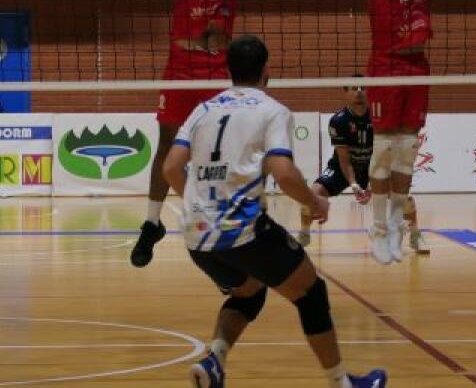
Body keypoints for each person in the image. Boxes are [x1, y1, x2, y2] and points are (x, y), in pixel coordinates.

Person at [163, 36, 386, 388]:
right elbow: (283, 173)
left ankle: (214, 361)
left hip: (195, 235)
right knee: (311, 293)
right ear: (267, 70)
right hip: (244, 232)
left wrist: (201, 205)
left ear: (228, 70)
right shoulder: (271, 110)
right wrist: (315, 203)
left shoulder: (202, 110)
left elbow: (172, 168)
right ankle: (342, 383)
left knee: (249, 291)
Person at [131, 0, 314, 268]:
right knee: (166, 144)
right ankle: (152, 222)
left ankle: (251, 216)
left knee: (238, 142)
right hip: (182, 61)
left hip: (219, 65)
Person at [366, 0, 473, 264]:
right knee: (383, 150)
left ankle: (395, 225)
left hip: (418, 67)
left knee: (408, 150)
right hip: (385, 65)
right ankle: (376, 229)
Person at [297, 80, 374, 246]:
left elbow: (381, 154)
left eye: (363, 88)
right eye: (354, 88)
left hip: (371, 166)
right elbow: (344, 159)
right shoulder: (338, 121)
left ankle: (415, 233)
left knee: (404, 193)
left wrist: (372, 184)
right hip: (341, 167)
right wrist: (354, 184)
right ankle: (304, 233)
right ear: (346, 93)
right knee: (312, 194)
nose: (359, 91)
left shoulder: (378, 117)